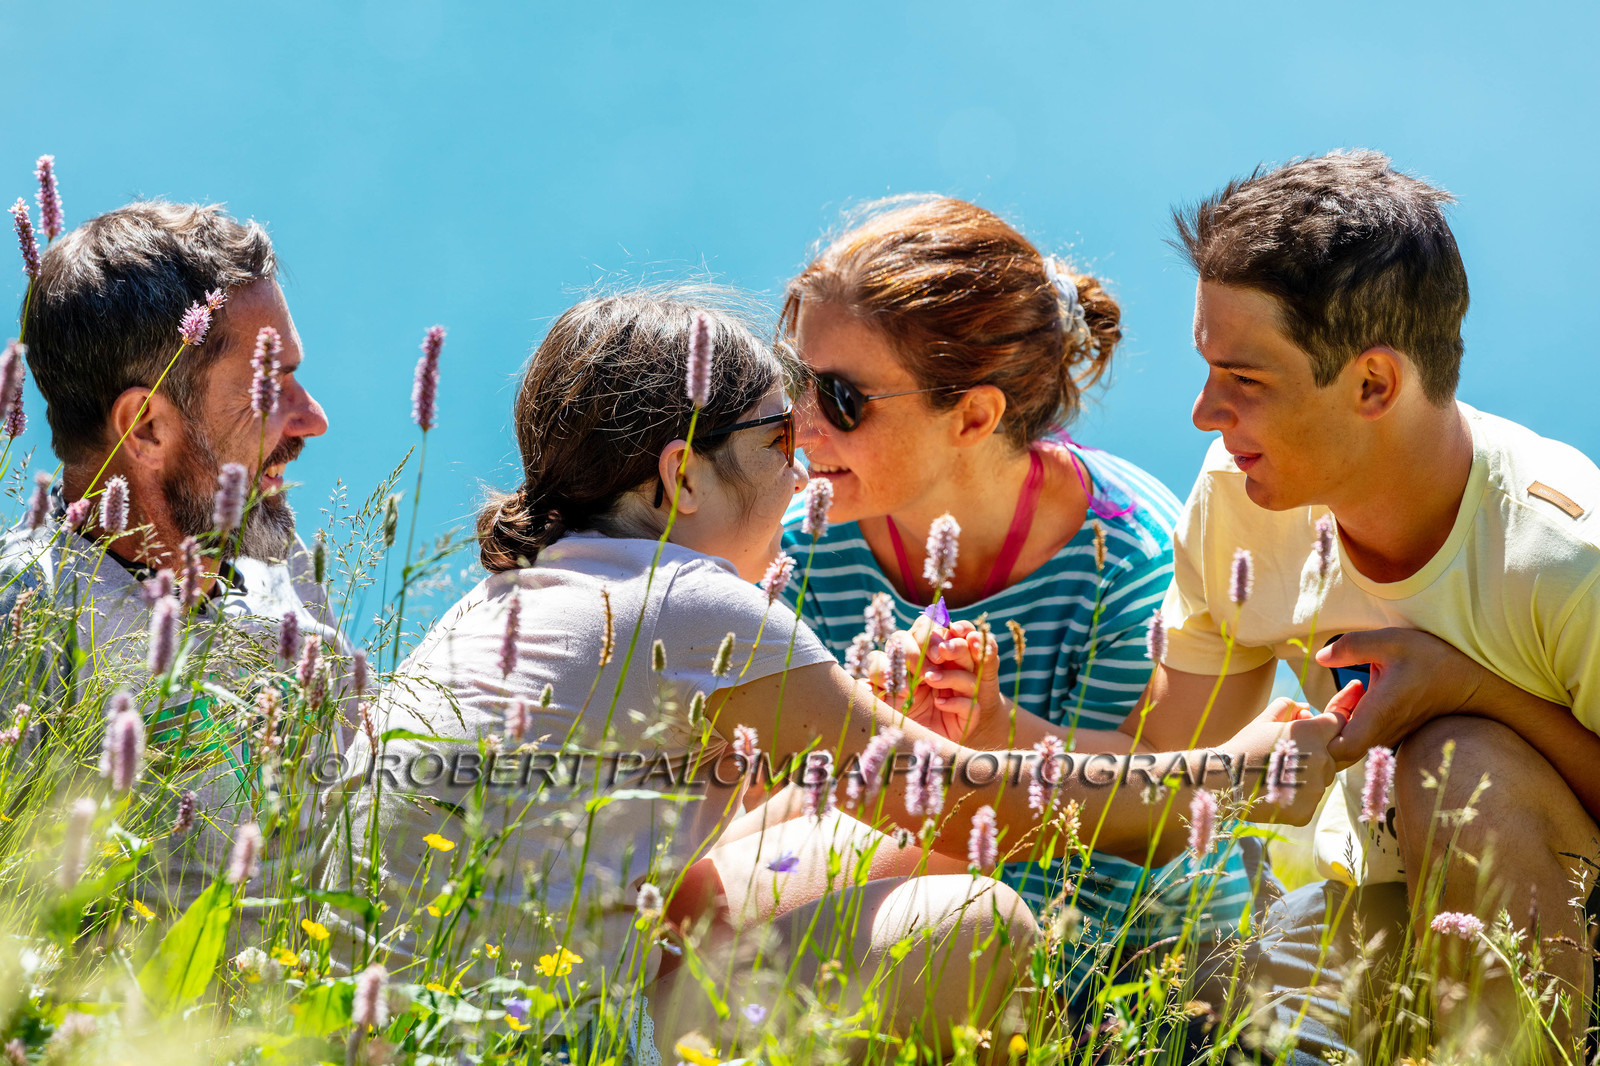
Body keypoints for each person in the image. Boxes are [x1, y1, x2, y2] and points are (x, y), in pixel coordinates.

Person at [320, 290, 1344, 1062]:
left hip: (411, 1019)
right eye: (777, 439)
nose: (806, 462)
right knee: (973, 922)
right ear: (681, 476)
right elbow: (967, 803)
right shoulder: (689, 602)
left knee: (875, 838)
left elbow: (724, 835)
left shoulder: (501, 601)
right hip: (553, 1034)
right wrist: (1235, 776)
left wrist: (869, 731)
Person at [1150, 150, 1600, 1060]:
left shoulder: (1567, 557)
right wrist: (985, 732)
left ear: (1373, 385)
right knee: (1194, 992)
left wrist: (1471, 693)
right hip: (1366, 917)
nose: (1203, 413)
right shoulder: (1240, 499)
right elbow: (1171, 767)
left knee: (1461, 764)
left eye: (1244, 380)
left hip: (1562, 942)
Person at [776, 195, 1265, 999]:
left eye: (839, 399)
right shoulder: (802, 546)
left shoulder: (1127, 557)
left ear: (972, 415)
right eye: (791, 378)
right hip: (903, 904)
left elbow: (1140, 823)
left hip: (1129, 971)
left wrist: (991, 731)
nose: (796, 424)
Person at [0, 200, 347, 930]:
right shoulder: (28, 619)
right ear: (147, 426)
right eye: (267, 384)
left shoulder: (284, 579)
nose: (313, 418)